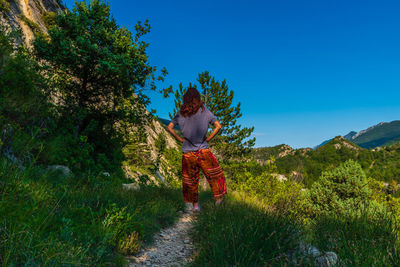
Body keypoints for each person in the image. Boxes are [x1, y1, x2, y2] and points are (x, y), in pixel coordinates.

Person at [167, 87, 227, 212]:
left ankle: (195, 207)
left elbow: (170, 128)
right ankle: (219, 202)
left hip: (188, 153)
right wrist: (208, 139)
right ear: (198, 98)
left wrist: (179, 139)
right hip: (203, 151)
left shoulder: (181, 113)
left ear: (185, 99)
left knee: (190, 180)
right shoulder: (204, 111)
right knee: (216, 176)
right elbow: (218, 126)